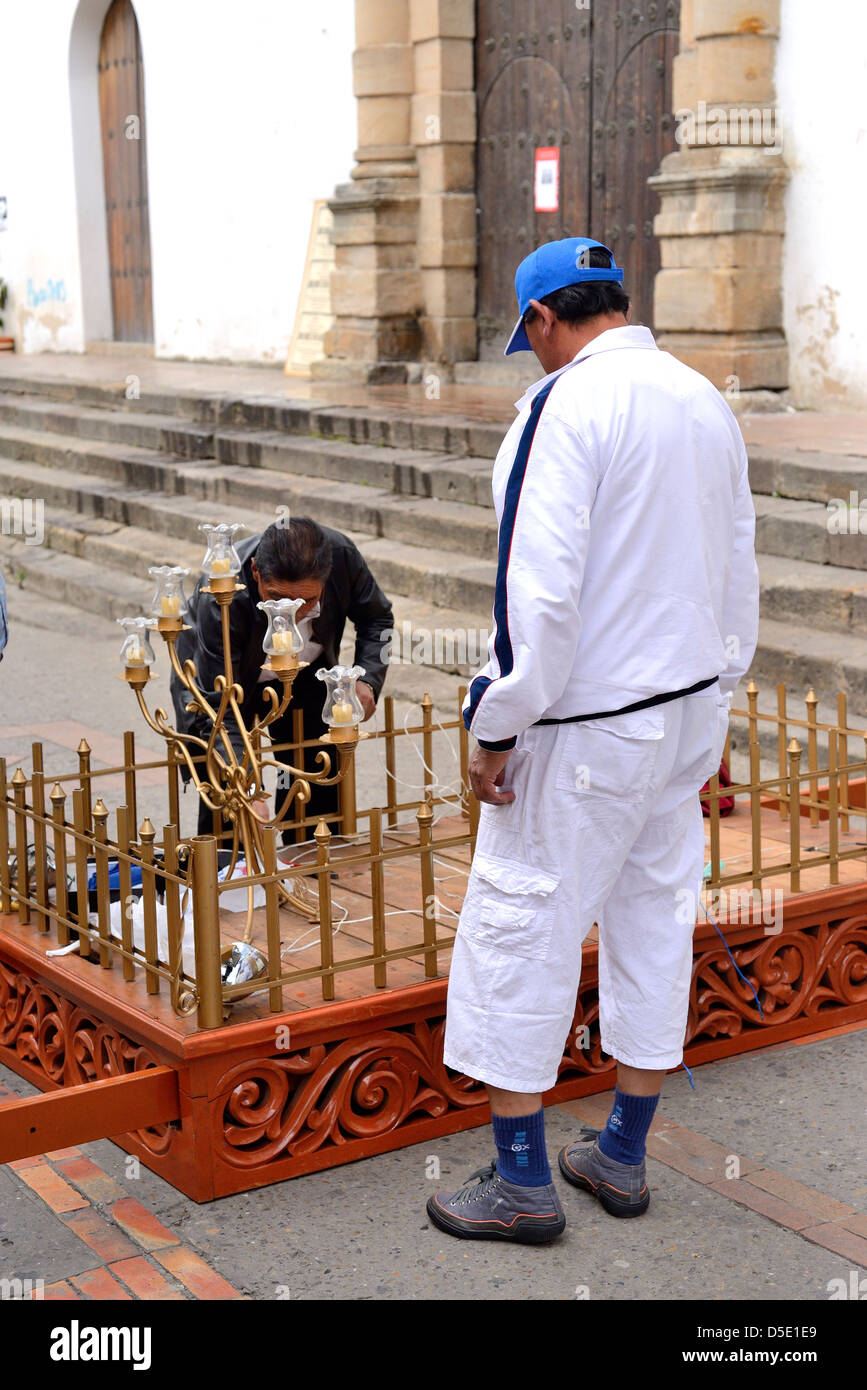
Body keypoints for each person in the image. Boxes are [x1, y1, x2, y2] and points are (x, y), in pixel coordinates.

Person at [427, 238, 759, 1243]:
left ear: (541, 320)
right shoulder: (703, 398)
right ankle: (620, 1153)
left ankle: (522, 1181)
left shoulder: (564, 404)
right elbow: (737, 564)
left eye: (526, 335)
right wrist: (718, 695)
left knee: (520, 924)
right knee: (654, 919)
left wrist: (497, 720)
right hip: (684, 712)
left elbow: (538, 592)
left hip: (587, 725)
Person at [170, 516, 393, 840]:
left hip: (305, 674)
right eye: (276, 598)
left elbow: (377, 616)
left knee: (317, 779)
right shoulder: (222, 587)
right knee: (231, 806)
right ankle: (232, 880)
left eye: (307, 601)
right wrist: (245, 785)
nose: (292, 613)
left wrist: (367, 678)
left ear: (326, 579)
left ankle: (316, 873)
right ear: (257, 573)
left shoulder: (342, 556)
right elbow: (220, 708)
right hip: (226, 681)